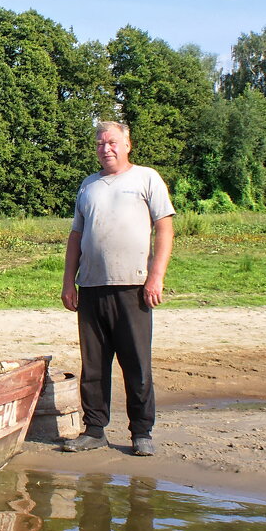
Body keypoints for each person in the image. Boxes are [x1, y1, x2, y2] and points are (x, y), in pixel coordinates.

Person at [60, 121, 174, 457]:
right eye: (99, 143)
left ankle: (141, 432)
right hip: (92, 286)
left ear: (127, 144)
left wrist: (156, 275)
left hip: (133, 287)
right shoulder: (88, 185)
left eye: (111, 142)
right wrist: (69, 281)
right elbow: (76, 237)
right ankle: (94, 430)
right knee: (93, 366)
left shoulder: (146, 178)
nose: (105, 148)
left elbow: (164, 229)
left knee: (136, 364)